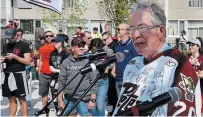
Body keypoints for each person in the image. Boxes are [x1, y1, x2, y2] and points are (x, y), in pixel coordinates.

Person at [113, 1, 201, 116]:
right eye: (132, 29)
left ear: (161, 31)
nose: (135, 34)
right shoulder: (132, 64)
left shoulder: (178, 64)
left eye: (142, 27)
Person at [58, 37, 98, 116]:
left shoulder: (89, 62)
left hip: (84, 99)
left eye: (83, 45)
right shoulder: (66, 62)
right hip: (69, 98)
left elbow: (94, 81)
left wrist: (92, 100)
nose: (81, 48)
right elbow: (61, 81)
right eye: (79, 46)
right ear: (72, 48)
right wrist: (59, 100)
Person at [1, 28, 31, 116]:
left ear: (16, 35)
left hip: (19, 74)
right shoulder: (5, 45)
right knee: (11, 99)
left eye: (11, 37)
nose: (9, 39)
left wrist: (14, 56)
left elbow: (27, 61)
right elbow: (3, 56)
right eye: (8, 38)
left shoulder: (24, 45)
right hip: (7, 74)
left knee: (22, 99)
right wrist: (2, 58)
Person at [111, 23, 138, 96]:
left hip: (128, 80)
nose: (118, 31)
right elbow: (117, 59)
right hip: (118, 78)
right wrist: (113, 70)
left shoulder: (133, 44)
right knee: (119, 103)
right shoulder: (118, 45)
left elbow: (138, 61)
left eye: (120, 29)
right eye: (117, 29)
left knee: (127, 104)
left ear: (127, 31)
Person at [88, 38, 110, 116]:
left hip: (103, 81)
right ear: (92, 46)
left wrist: (107, 68)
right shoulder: (89, 55)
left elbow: (109, 64)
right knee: (92, 106)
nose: (97, 48)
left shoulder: (104, 54)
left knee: (100, 105)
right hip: (91, 82)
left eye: (99, 46)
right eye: (95, 46)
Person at [49, 36, 69, 113]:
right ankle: (58, 110)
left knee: (62, 95)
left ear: (62, 43)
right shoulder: (52, 53)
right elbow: (50, 67)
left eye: (57, 42)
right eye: (54, 42)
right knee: (53, 95)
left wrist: (56, 70)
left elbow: (66, 69)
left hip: (63, 78)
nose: (55, 43)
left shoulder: (66, 54)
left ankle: (63, 110)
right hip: (53, 77)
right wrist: (58, 70)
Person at [38, 31, 55, 114]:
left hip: (54, 74)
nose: (48, 37)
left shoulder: (56, 47)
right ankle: (44, 108)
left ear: (53, 36)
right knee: (43, 93)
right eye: (47, 36)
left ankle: (58, 108)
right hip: (43, 73)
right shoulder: (42, 48)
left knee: (55, 92)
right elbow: (41, 60)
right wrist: (39, 71)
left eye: (50, 36)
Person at [101, 32, 118, 115]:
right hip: (108, 71)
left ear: (109, 37)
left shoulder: (114, 45)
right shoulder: (107, 46)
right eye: (103, 40)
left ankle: (114, 110)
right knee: (110, 92)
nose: (104, 41)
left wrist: (113, 70)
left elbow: (116, 59)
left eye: (105, 39)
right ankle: (112, 110)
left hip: (112, 71)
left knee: (113, 91)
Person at [186, 38, 203, 114]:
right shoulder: (187, 58)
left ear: (198, 47)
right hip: (188, 90)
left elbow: (201, 74)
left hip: (200, 90)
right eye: (189, 45)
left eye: (193, 45)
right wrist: (189, 63)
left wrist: (199, 74)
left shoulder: (202, 58)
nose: (190, 47)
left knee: (199, 111)